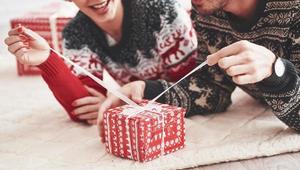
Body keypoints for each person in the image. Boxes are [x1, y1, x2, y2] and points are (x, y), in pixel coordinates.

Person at [98, 0, 300, 136]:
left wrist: (277, 72)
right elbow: (213, 88)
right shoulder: (206, 10)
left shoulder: (295, 12)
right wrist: (145, 89)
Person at [4, 0, 197, 125]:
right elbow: (81, 108)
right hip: (141, 92)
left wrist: (118, 103)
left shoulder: (163, 11)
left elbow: (193, 88)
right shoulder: (76, 32)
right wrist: (47, 60)